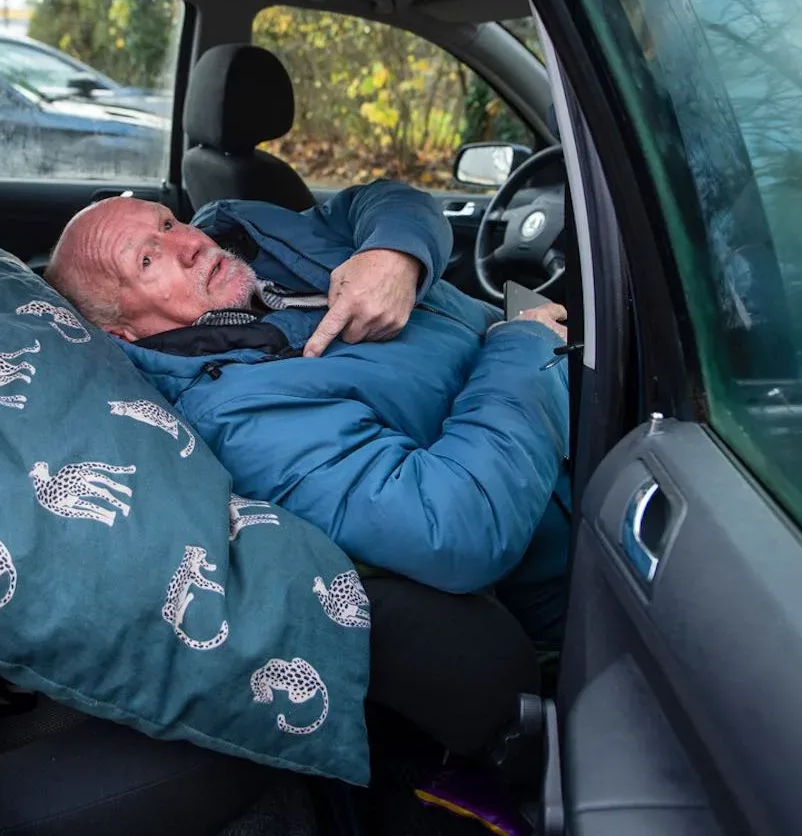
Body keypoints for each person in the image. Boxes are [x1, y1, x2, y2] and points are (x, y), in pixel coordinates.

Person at [45, 179, 571, 753]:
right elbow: (456, 525)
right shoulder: (239, 413)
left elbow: (385, 199)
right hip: (584, 538)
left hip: (574, 373)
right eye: (148, 260)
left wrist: (393, 254)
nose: (187, 244)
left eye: (168, 224)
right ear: (122, 330)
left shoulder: (242, 234)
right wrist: (522, 347)